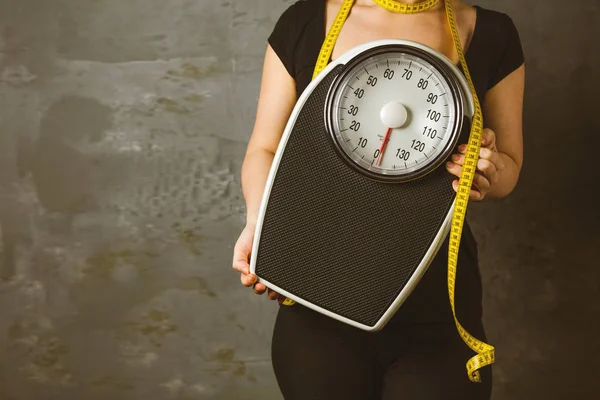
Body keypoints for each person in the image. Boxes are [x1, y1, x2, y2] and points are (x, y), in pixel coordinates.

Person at [232, 0, 525, 398]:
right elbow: (265, 149)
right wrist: (260, 223)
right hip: (317, 298)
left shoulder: (491, 32)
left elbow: (509, 167)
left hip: (439, 306)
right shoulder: (306, 21)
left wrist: (490, 170)